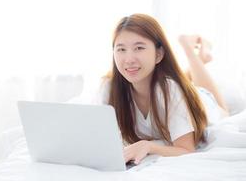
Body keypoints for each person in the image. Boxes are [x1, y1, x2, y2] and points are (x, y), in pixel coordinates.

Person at [97, 13, 229, 165]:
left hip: (202, 101)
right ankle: (193, 67)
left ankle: (189, 49)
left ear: (158, 54)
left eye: (139, 48)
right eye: (121, 49)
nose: (129, 59)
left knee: (222, 109)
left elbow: (186, 150)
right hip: (173, 89)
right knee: (182, 82)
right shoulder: (108, 87)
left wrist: (148, 146)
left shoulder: (170, 90)